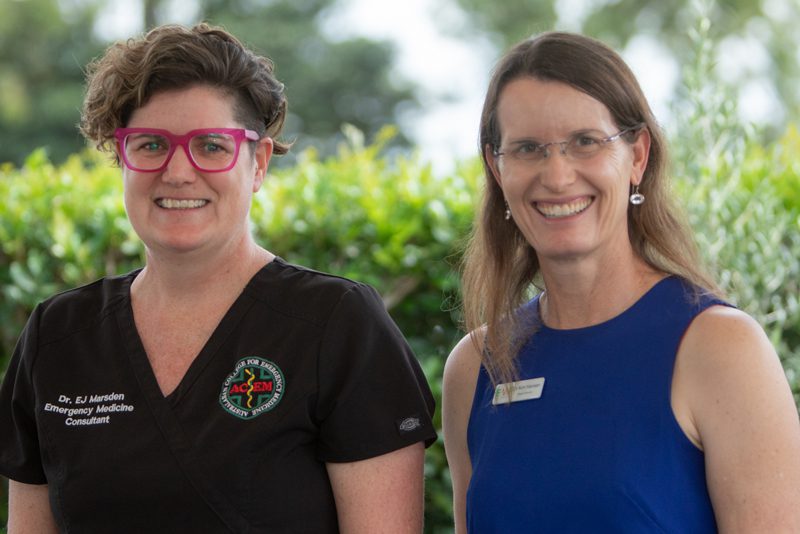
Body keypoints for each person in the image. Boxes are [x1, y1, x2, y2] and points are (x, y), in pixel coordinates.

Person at [0, 23, 436, 533]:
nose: (179, 172)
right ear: (122, 158)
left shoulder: (336, 324)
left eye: (211, 145)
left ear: (258, 164)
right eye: (149, 144)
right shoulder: (59, 335)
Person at [442, 31, 800, 533]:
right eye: (527, 148)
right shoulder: (475, 366)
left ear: (637, 157)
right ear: (496, 169)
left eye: (585, 142)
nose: (558, 175)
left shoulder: (720, 348)